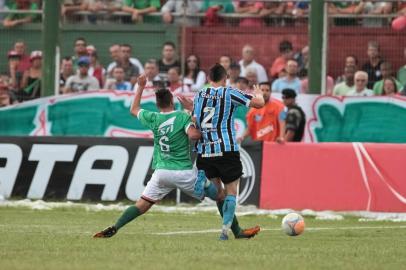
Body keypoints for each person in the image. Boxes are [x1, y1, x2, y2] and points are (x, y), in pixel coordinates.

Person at [94, 74, 259, 240]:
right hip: (184, 173)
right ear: (172, 102)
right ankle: (236, 232)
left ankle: (115, 227)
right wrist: (195, 121)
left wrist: (141, 87)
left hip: (161, 173)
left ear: (157, 104)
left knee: (142, 204)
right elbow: (194, 135)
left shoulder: (153, 118)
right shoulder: (181, 117)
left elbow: (133, 109)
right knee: (221, 195)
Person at [181, 63, 264, 240]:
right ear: (225, 77)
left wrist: (190, 108)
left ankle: (205, 186)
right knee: (231, 193)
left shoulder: (199, 95)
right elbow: (259, 104)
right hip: (226, 149)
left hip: (205, 150)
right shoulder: (229, 92)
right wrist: (259, 94)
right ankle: (224, 232)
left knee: (219, 195)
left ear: (209, 78)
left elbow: (194, 118)